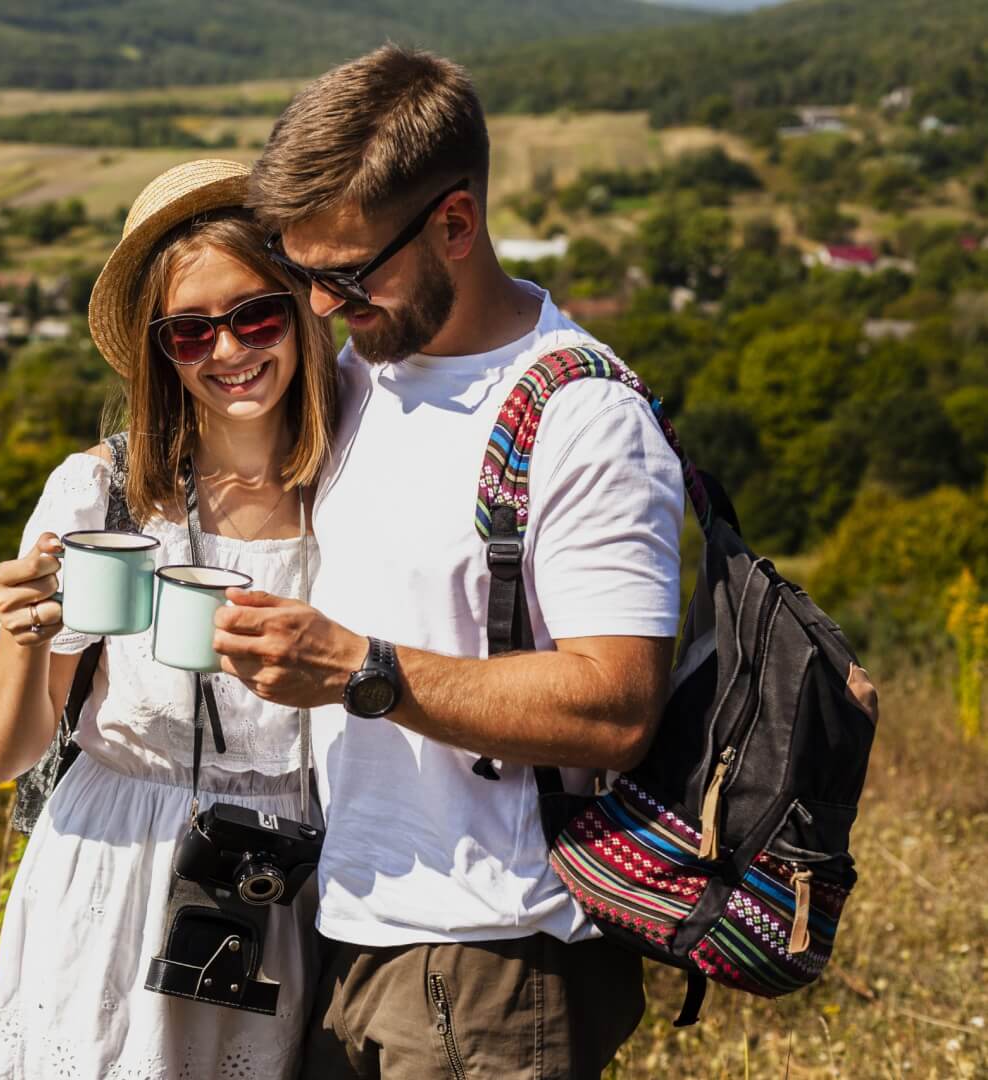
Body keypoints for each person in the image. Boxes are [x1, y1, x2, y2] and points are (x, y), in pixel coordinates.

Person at [210, 47, 687, 1078]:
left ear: (457, 225)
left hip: (494, 960)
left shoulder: (582, 417)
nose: (326, 306)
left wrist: (359, 671)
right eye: (307, 278)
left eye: (347, 275)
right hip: (340, 933)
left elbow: (617, 707)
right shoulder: (364, 374)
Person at [0, 159, 339, 1078]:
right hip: (115, 867)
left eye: (255, 314)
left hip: (280, 880)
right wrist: (24, 640)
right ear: (157, 350)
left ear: (299, 309)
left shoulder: (355, 492)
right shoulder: (103, 492)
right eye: (188, 333)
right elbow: (3, 752)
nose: (228, 352)